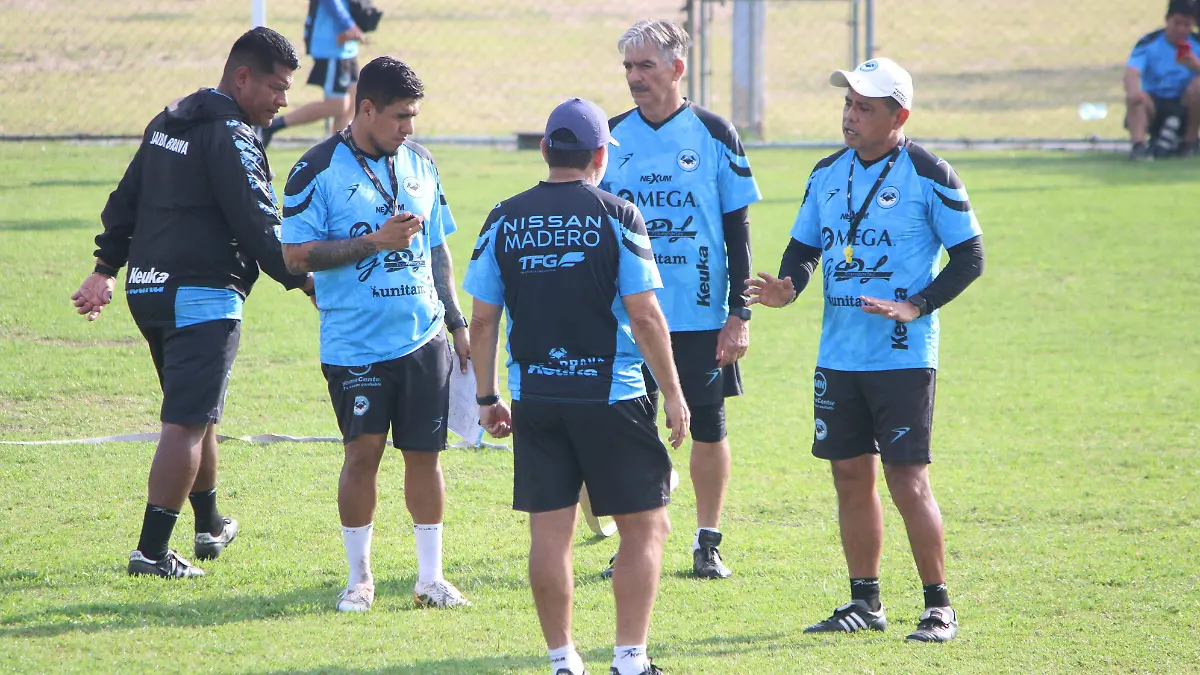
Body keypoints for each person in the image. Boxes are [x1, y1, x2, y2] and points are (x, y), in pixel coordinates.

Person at [746, 57, 984, 643]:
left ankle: (938, 607)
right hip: (839, 357)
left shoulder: (931, 173)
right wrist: (787, 287)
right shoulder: (826, 173)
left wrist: (919, 304)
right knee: (850, 478)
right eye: (848, 105)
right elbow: (804, 249)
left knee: (908, 481)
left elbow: (971, 257)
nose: (851, 117)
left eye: (865, 108)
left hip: (902, 357)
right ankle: (865, 603)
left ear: (899, 116)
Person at [71, 27, 314, 578]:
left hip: (150, 291)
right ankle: (151, 553)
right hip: (202, 296)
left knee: (199, 413)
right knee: (185, 421)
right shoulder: (230, 134)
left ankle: (209, 525)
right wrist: (302, 281)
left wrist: (106, 268)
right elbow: (257, 221)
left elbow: (125, 198)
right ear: (243, 76)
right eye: (277, 87)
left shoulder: (169, 121)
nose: (283, 100)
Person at [464, 97, 688, 675]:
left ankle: (564, 661)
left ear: (544, 150)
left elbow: (482, 320)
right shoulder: (620, 214)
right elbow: (645, 316)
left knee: (551, 532)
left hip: (536, 398)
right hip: (610, 396)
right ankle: (630, 661)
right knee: (647, 525)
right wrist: (674, 393)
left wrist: (487, 398)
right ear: (598, 156)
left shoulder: (501, 218)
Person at [280, 56, 471, 613]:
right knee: (362, 456)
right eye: (400, 116)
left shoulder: (420, 163)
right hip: (355, 345)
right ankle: (359, 579)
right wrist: (373, 243)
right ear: (366, 109)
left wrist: (457, 322)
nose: (409, 127)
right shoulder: (315, 170)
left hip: (423, 336)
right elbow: (294, 259)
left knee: (425, 457)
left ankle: (430, 579)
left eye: (413, 116)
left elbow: (437, 248)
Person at [597, 19, 762, 580]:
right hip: (627, 319)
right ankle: (633, 539)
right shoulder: (611, 136)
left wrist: (739, 315)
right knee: (631, 430)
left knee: (708, 427)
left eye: (645, 66)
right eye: (627, 67)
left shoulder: (715, 134)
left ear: (677, 68)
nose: (634, 78)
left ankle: (707, 540)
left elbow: (737, 233)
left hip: (698, 316)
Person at [261, 0, 367, 147]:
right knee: (337, 105)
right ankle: (274, 125)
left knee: (354, 100)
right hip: (333, 45)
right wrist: (348, 25)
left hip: (348, 46)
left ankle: (339, 151)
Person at [1125, 0, 1200, 160]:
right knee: (1138, 99)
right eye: (1177, 23)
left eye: (1187, 25)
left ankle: (1189, 143)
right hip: (1155, 102)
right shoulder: (1149, 42)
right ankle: (1138, 147)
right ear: (1167, 20)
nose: (1181, 29)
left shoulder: (1197, 44)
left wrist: (1196, 65)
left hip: (1185, 102)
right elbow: (1132, 72)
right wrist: (1134, 93)